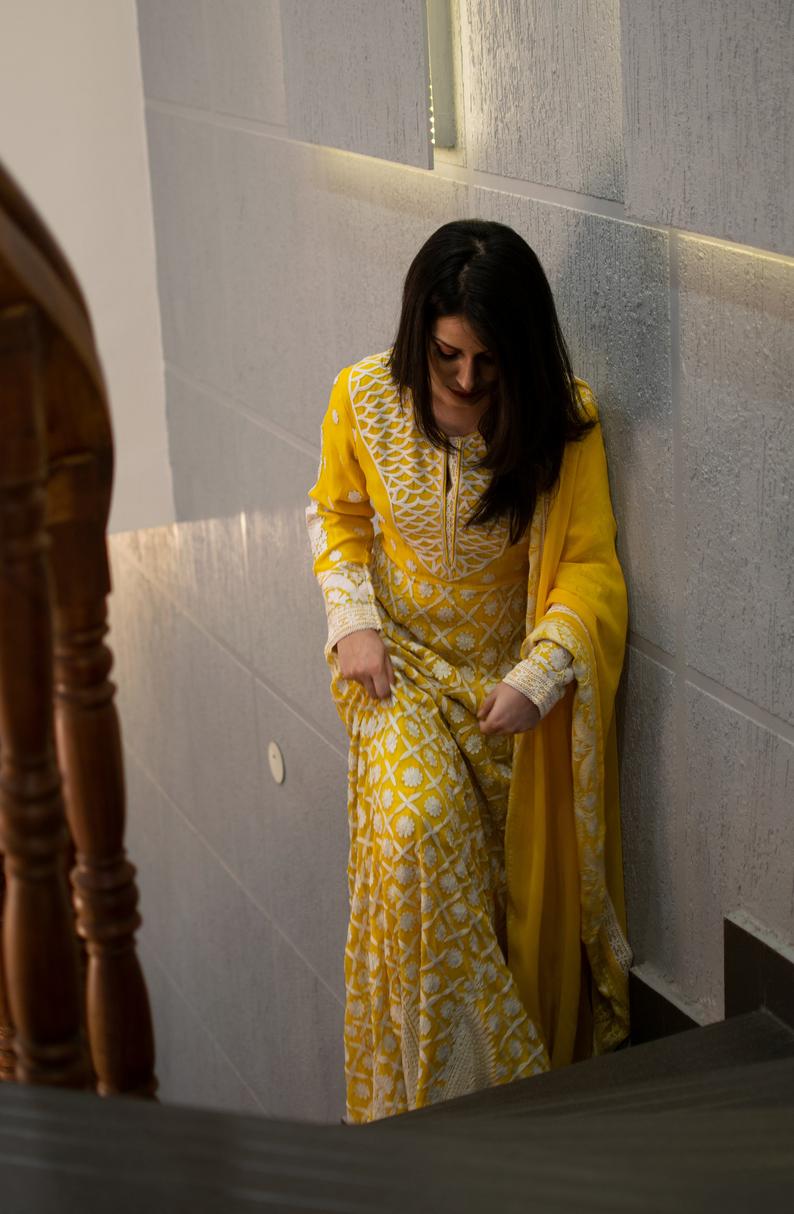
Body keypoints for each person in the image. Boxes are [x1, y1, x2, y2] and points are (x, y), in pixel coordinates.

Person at [307, 219, 631, 1125]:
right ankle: (485, 1118)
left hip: (505, 697)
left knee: (491, 912)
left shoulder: (562, 421)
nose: (463, 381)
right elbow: (337, 520)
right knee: (416, 833)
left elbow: (590, 572)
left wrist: (543, 673)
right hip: (393, 673)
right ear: (420, 330)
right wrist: (353, 626)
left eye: (489, 362)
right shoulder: (363, 397)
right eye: (448, 355)